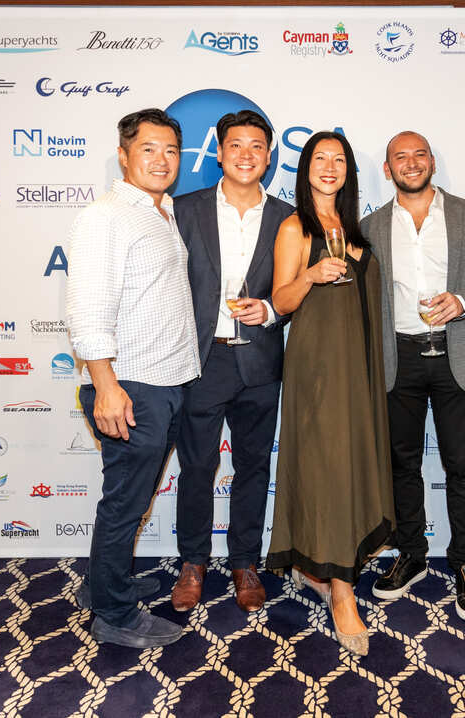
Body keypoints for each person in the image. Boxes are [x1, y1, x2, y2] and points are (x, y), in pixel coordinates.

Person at [362, 131, 465, 621]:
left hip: (457, 354)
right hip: (397, 358)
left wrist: (463, 302)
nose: (411, 163)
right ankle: (412, 554)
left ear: (432, 162)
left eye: (419, 154)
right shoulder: (370, 227)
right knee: (401, 466)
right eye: (400, 157)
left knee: (461, 467)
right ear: (388, 170)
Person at [66, 108, 200, 647]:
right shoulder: (107, 216)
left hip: (164, 382)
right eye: (148, 149)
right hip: (131, 386)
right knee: (124, 505)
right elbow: (86, 308)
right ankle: (114, 615)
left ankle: (104, 584)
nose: (161, 160)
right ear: (123, 155)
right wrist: (106, 385)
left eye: (171, 150)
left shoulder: (161, 212)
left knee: (129, 501)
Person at [266, 131, 395, 656]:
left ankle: (317, 567)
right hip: (318, 368)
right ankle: (342, 591)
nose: (329, 166)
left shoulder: (356, 227)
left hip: (360, 367)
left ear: (349, 171)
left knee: (351, 467)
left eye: (338, 159)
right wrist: (312, 274)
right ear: (305, 169)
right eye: (319, 158)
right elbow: (280, 301)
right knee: (330, 468)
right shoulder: (295, 226)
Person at [171, 110, 293, 613]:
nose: (246, 154)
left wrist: (270, 310)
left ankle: (245, 562)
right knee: (197, 466)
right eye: (236, 145)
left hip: (260, 360)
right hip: (202, 360)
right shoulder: (183, 210)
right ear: (219, 153)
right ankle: (193, 562)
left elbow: (296, 289)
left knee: (254, 467)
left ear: (269, 155)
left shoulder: (289, 217)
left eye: (256, 146)